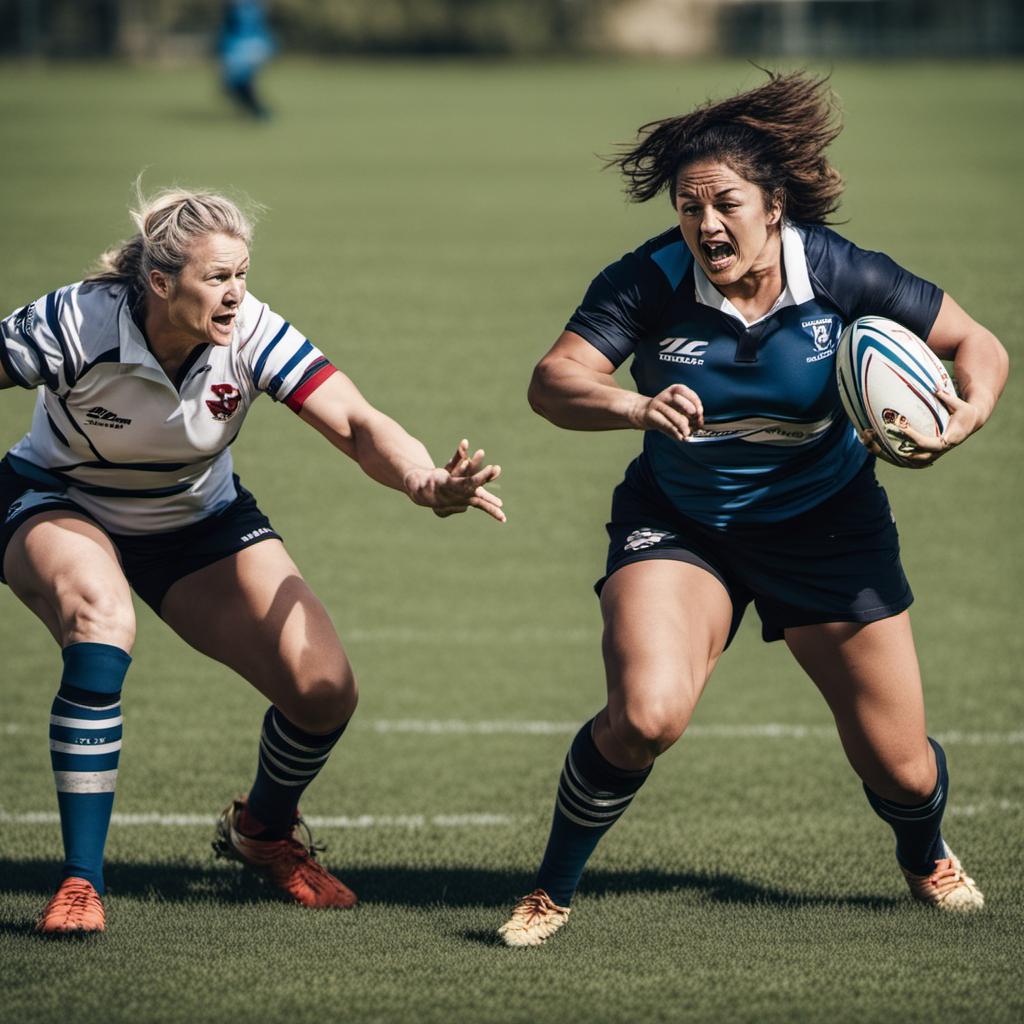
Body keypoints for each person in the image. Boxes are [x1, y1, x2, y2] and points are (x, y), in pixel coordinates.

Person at [497, 71, 1008, 946]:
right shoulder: (653, 277)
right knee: (646, 715)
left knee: (902, 767)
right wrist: (632, 405)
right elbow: (553, 382)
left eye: (725, 204)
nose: (705, 225)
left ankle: (925, 855)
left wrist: (969, 408)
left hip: (827, 522)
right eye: (689, 208)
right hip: (683, 521)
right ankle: (550, 890)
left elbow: (974, 343)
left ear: (774, 206)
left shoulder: (840, 272)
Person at [0, 186, 505, 934]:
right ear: (161, 283)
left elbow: (356, 421)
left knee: (324, 690)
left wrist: (423, 480)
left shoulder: (252, 332)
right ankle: (81, 882)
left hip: (195, 518)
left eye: (242, 274)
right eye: (218, 278)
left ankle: (262, 833)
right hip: (58, 497)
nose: (237, 294)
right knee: (100, 619)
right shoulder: (75, 321)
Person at [217, 0, 275, 119]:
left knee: (239, 82)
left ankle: (259, 112)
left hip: (245, 47)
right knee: (233, 85)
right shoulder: (246, 7)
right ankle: (257, 111)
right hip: (244, 46)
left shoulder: (250, 7)